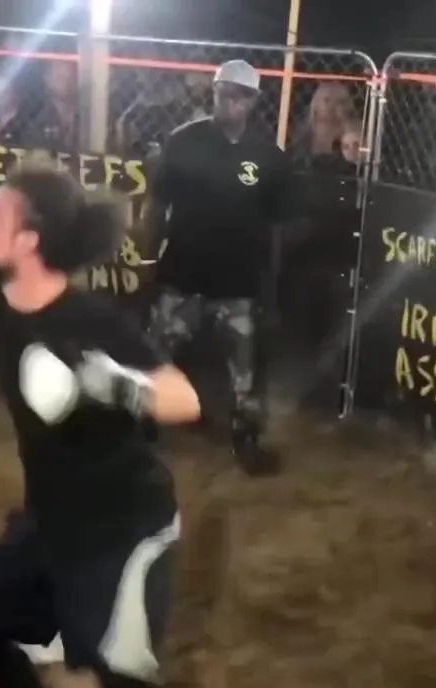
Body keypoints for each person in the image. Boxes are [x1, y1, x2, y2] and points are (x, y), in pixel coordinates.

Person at [0, 160, 202, 688]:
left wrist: (117, 385)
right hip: (52, 519)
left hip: (125, 529)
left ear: (28, 242)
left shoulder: (89, 320)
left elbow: (185, 399)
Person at [141, 59, 290, 476]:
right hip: (183, 272)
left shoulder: (268, 156)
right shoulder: (183, 141)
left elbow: (277, 225)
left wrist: (271, 280)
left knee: (245, 368)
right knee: (155, 353)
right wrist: (149, 258)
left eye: (240, 95)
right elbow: (157, 204)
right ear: (214, 91)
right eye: (224, 92)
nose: (231, 102)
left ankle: (246, 437)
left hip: (238, 280)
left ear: (253, 100)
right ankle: (140, 427)